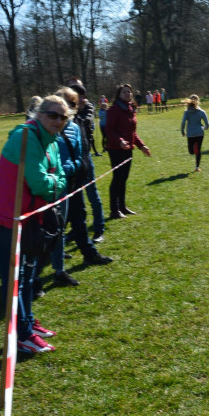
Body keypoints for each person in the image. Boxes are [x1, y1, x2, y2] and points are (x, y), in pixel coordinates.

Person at [0, 95, 68, 353]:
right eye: (52, 115)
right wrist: (53, 183)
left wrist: (53, 183)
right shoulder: (26, 137)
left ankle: (26, 322)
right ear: (39, 114)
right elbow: (42, 184)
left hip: (29, 217)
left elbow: (61, 177)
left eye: (63, 117)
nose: (58, 121)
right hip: (8, 218)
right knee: (15, 278)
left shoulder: (50, 140)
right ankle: (21, 334)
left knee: (27, 276)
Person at [57, 86, 113, 271]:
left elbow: (81, 151)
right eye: (72, 102)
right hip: (56, 187)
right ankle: (33, 278)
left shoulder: (75, 123)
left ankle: (89, 254)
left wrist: (80, 169)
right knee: (54, 226)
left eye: (77, 102)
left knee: (79, 217)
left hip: (74, 182)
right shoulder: (53, 127)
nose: (77, 105)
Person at [67, 78, 106, 242]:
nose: (82, 99)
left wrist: (71, 114)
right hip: (71, 160)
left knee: (92, 195)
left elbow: (85, 123)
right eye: (78, 96)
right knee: (76, 199)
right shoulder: (67, 111)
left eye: (83, 96)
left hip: (85, 157)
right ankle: (76, 231)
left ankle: (99, 229)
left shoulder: (87, 108)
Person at [106, 83, 151, 218]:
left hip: (128, 149)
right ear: (119, 95)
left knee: (123, 179)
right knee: (117, 179)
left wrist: (142, 146)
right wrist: (119, 141)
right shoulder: (114, 109)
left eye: (129, 92)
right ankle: (114, 210)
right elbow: (109, 130)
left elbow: (133, 133)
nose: (127, 94)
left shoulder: (130, 108)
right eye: (124, 92)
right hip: (116, 149)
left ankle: (122, 207)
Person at [181, 94, 209, 172]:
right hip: (200, 133)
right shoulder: (202, 112)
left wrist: (182, 130)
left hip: (190, 133)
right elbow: (207, 124)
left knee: (191, 152)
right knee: (199, 151)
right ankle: (197, 167)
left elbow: (183, 122)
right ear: (198, 101)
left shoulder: (186, 112)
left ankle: (194, 148)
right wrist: (204, 128)